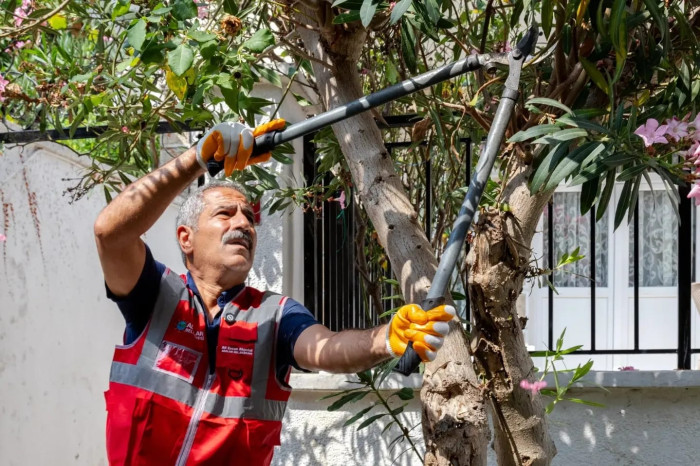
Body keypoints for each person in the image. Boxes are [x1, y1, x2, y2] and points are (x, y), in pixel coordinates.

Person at [94, 119, 456, 466]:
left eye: (249, 217)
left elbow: (327, 349)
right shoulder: (156, 295)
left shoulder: (275, 314)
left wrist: (386, 338)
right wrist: (197, 158)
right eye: (225, 213)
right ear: (186, 238)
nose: (243, 223)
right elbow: (110, 233)